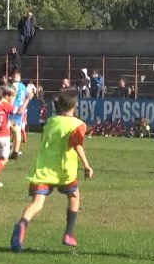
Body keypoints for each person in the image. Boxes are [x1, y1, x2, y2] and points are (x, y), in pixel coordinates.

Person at [9, 87, 92, 252]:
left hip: (44, 168)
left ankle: (21, 225)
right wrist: (87, 165)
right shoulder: (78, 124)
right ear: (75, 105)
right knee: (74, 195)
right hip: (64, 170)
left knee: (37, 203)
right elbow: (77, 144)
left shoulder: (50, 122)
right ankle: (68, 234)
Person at [9, 68, 32, 159]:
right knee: (17, 130)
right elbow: (27, 96)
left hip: (13, 109)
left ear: (14, 76)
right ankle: (15, 152)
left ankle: (7, 150)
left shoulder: (13, 86)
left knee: (8, 129)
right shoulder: (24, 87)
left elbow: (11, 97)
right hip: (21, 109)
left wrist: (9, 107)